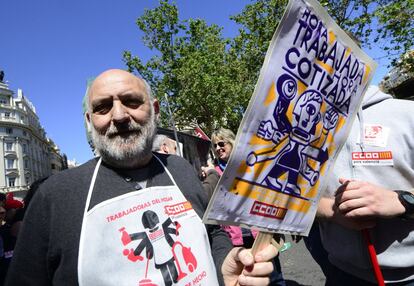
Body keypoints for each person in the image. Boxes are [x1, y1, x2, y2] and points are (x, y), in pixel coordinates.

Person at [6, 69, 278, 286]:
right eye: (103, 108)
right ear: (90, 121)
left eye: (132, 101)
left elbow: (212, 232)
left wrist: (224, 264)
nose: (120, 115)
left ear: (155, 110)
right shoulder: (56, 196)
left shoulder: (181, 169)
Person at [317, 85, 414, 285]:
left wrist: (403, 201)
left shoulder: (407, 113)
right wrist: (331, 211)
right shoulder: (307, 130)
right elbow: (291, 200)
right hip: (341, 273)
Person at [201, 128, 286, 285]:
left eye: (221, 143)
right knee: (248, 280)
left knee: (274, 278)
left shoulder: (250, 166)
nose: (218, 148)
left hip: (259, 235)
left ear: (232, 143)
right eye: (215, 145)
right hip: (235, 241)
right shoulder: (214, 174)